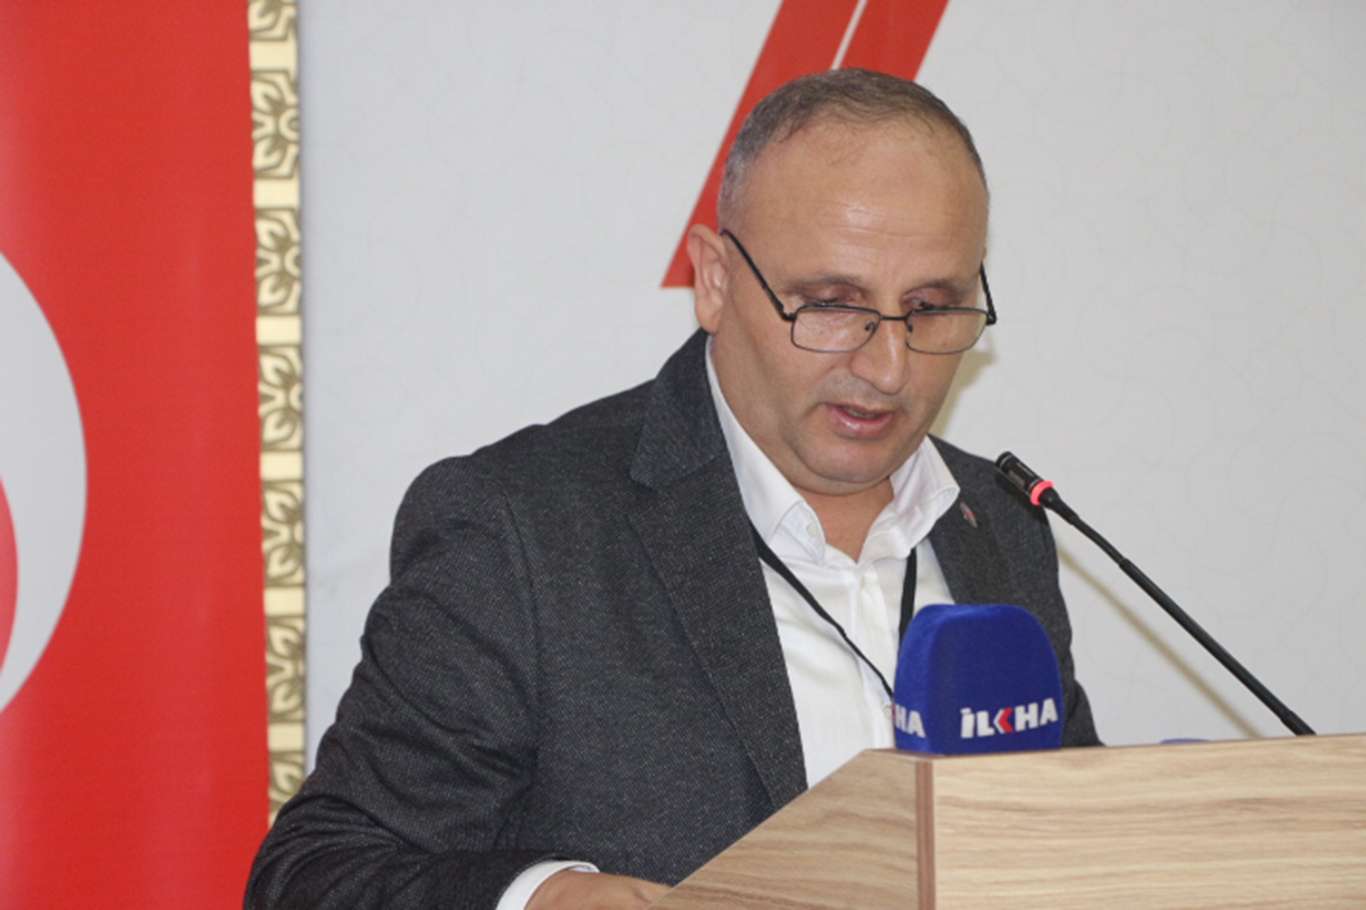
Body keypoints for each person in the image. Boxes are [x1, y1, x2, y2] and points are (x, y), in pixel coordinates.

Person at [246, 68, 1099, 910]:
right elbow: (316, 878)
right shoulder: (523, 534)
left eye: (931, 309)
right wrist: (544, 900)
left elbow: (1071, 850)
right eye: (833, 304)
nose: (887, 366)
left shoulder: (1000, 522)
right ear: (716, 282)